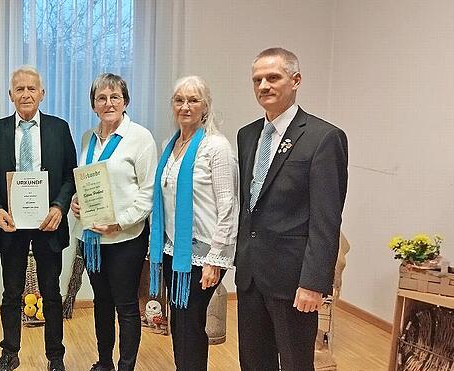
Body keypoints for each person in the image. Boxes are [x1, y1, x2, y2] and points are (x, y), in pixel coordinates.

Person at [235, 47, 348, 371]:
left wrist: (314, 282)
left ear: (296, 80)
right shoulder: (247, 135)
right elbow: (250, 206)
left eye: (273, 77)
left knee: (296, 363)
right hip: (251, 275)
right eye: (257, 80)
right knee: (253, 362)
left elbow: (327, 220)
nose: (263, 86)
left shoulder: (323, 137)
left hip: (293, 280)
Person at [0, 65, 77, 371]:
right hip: (11, 225)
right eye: (20, 89)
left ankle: (55, 357)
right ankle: (9, 353)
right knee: (11, 294)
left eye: (31, 88)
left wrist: (59, 207)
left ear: (42, 93)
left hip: (48, 224)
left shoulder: (59, 128)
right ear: (10, 94)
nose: (26, 94)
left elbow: (70, 175)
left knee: (51, 293)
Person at [147, 76, 238, 370]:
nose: (185, 106)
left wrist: (215, 259)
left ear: (205, 106)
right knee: (180, 322)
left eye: (193, 100)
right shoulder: (170, 144)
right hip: (173, 251)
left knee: (190, 324)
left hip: (203, 255)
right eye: (179, 100)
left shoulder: (216, 147)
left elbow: (228, 205)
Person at [70, 73, 158, 371]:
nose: (108, 103)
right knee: (101, 303)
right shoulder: (88, 138)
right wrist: (76, 201)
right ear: (93, 105)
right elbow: (86, 182)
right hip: (92, 239)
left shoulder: (140, 138)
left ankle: (126, 366)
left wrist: (119, 223)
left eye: (114, 97)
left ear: (125, 102)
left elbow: (148, 193)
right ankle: (105, 362)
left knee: (126, 306)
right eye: (101, 98)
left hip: (125, 239)